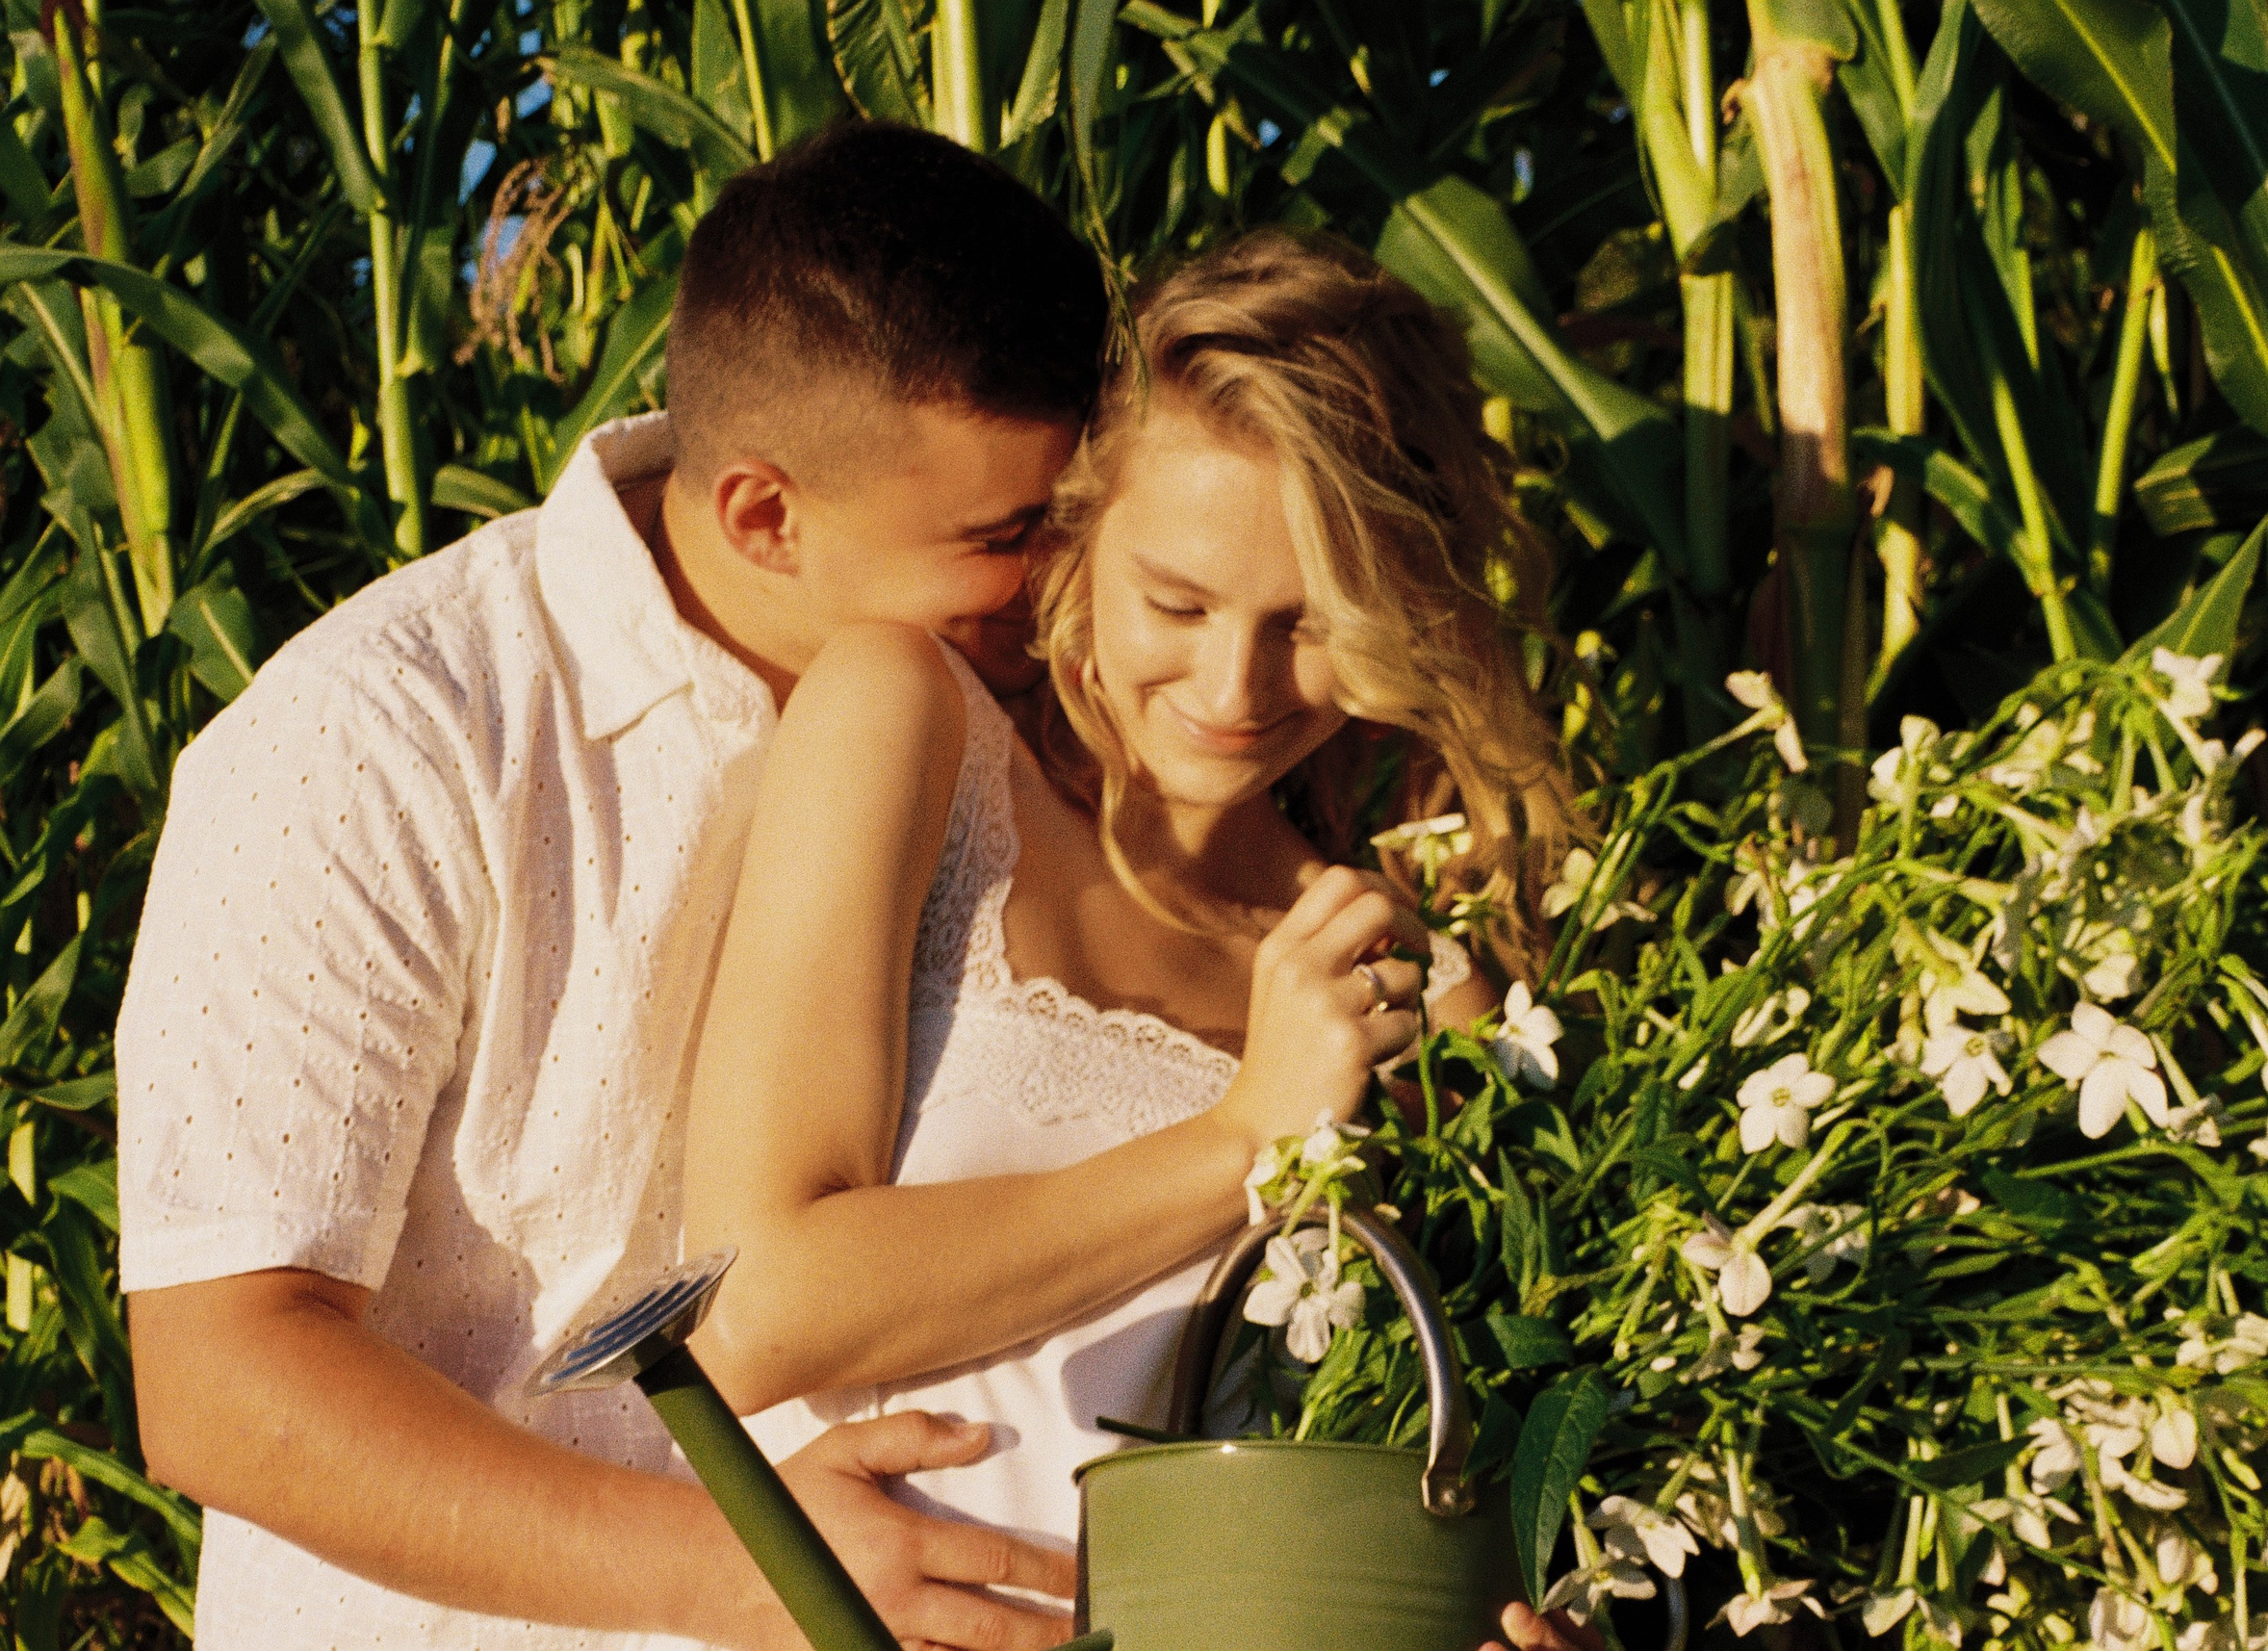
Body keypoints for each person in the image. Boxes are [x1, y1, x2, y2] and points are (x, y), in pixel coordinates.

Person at [115, 123, 1111, 1651]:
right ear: (765, 516)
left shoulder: (1040, 727)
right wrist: (745, 1570)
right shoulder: (375, 741)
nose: (1057, 584)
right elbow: (224, 1382)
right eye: (1006, 537)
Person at [680, 229, 1587, 1651]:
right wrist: (1246, 1138)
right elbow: (752, 1313)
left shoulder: (1411, 976)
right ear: (1077, 534)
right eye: (1176, 601)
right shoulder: (910, 728)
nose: (1232, 686)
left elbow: (1470, 1483)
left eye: (1312, 625)